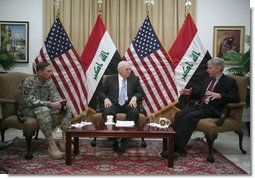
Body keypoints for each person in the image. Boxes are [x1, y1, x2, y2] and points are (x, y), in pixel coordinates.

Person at [161, 57, 240, 159]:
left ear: (218, 69)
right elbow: (200, 94)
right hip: (202, 106)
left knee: (190, 117)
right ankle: (172, 145)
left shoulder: (229, 81)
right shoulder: (207, 80)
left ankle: (179, 149)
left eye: (209, 68)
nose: (207, 70)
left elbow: (235, 98)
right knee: (179, 114)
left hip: (214, 109)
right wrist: (190, 93)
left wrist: (220, 95)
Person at [18, 62, 72, 159]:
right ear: (40, 72)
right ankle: (51, 145)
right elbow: (30, 101)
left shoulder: (49, 81)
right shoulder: (28, 82)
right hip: (27, 109)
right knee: (43, 110)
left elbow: (55, 96)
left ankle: (64, 141)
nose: (51, 73)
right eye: (49, 71)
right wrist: (50, 104)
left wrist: (60, 102)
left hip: (44, 106)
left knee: (67, 108)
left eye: (51, 71)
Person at [98, 61, 144, 155]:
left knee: (134, 112)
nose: (129, 71)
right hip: (113, 104)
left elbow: (140, 92)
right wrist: (106, 98)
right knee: (107, 112)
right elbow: (101, 92)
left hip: (128, 104)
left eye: (130, 69)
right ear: (119, 70)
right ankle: (115, 139)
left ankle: (124, 139)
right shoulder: (110, 79)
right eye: (127, 69)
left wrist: (135, 97)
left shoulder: (134, 80)